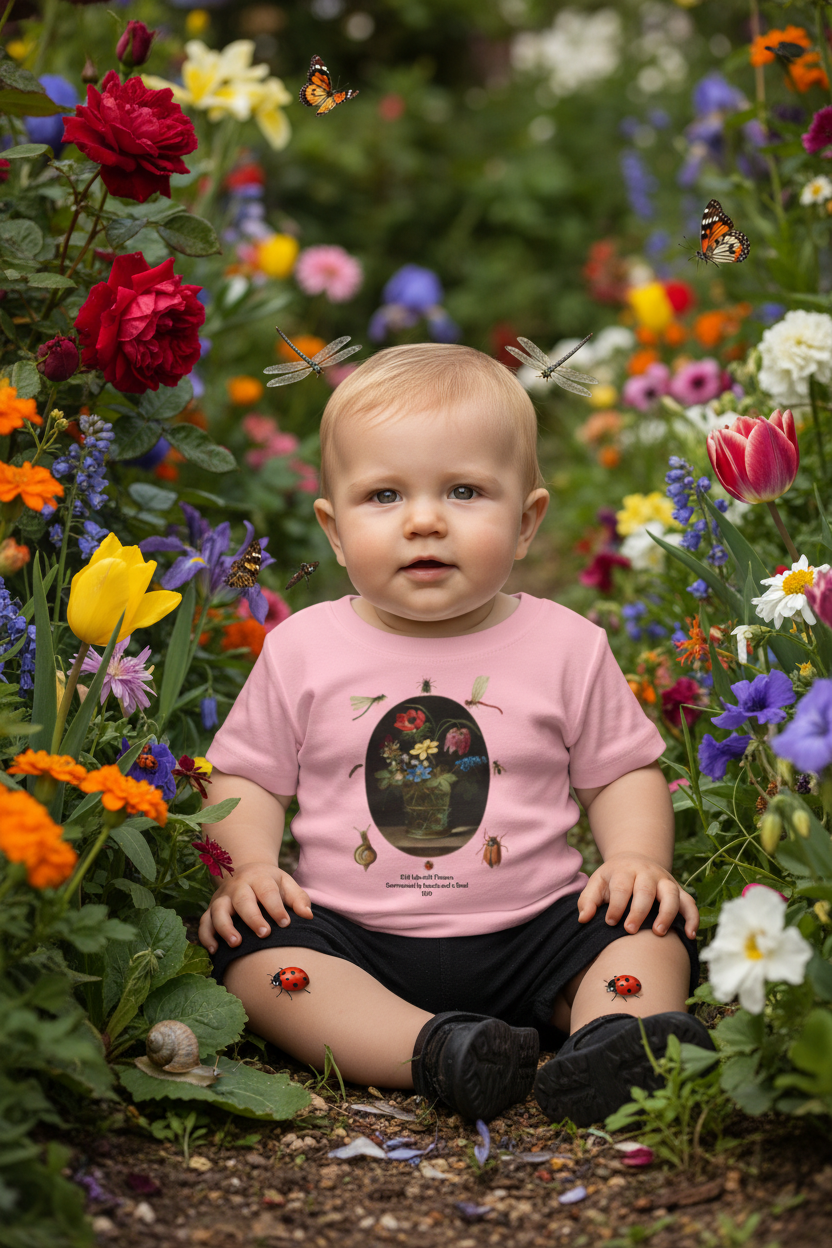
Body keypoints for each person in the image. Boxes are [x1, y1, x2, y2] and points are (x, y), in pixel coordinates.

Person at [199, 343, 712, 1126]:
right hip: (351, 934)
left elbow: (622, 774)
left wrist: (637, 860)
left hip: (540, 929)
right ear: (334, 532)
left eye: (466, 491)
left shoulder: (568, 645)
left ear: (526, 520)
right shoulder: (301, 648)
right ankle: (438, 1051)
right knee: (260, 962)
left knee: (652, 930)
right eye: (384, 496)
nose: (426, 519)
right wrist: (252, 870)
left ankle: (616, 1037)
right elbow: (248, 777)